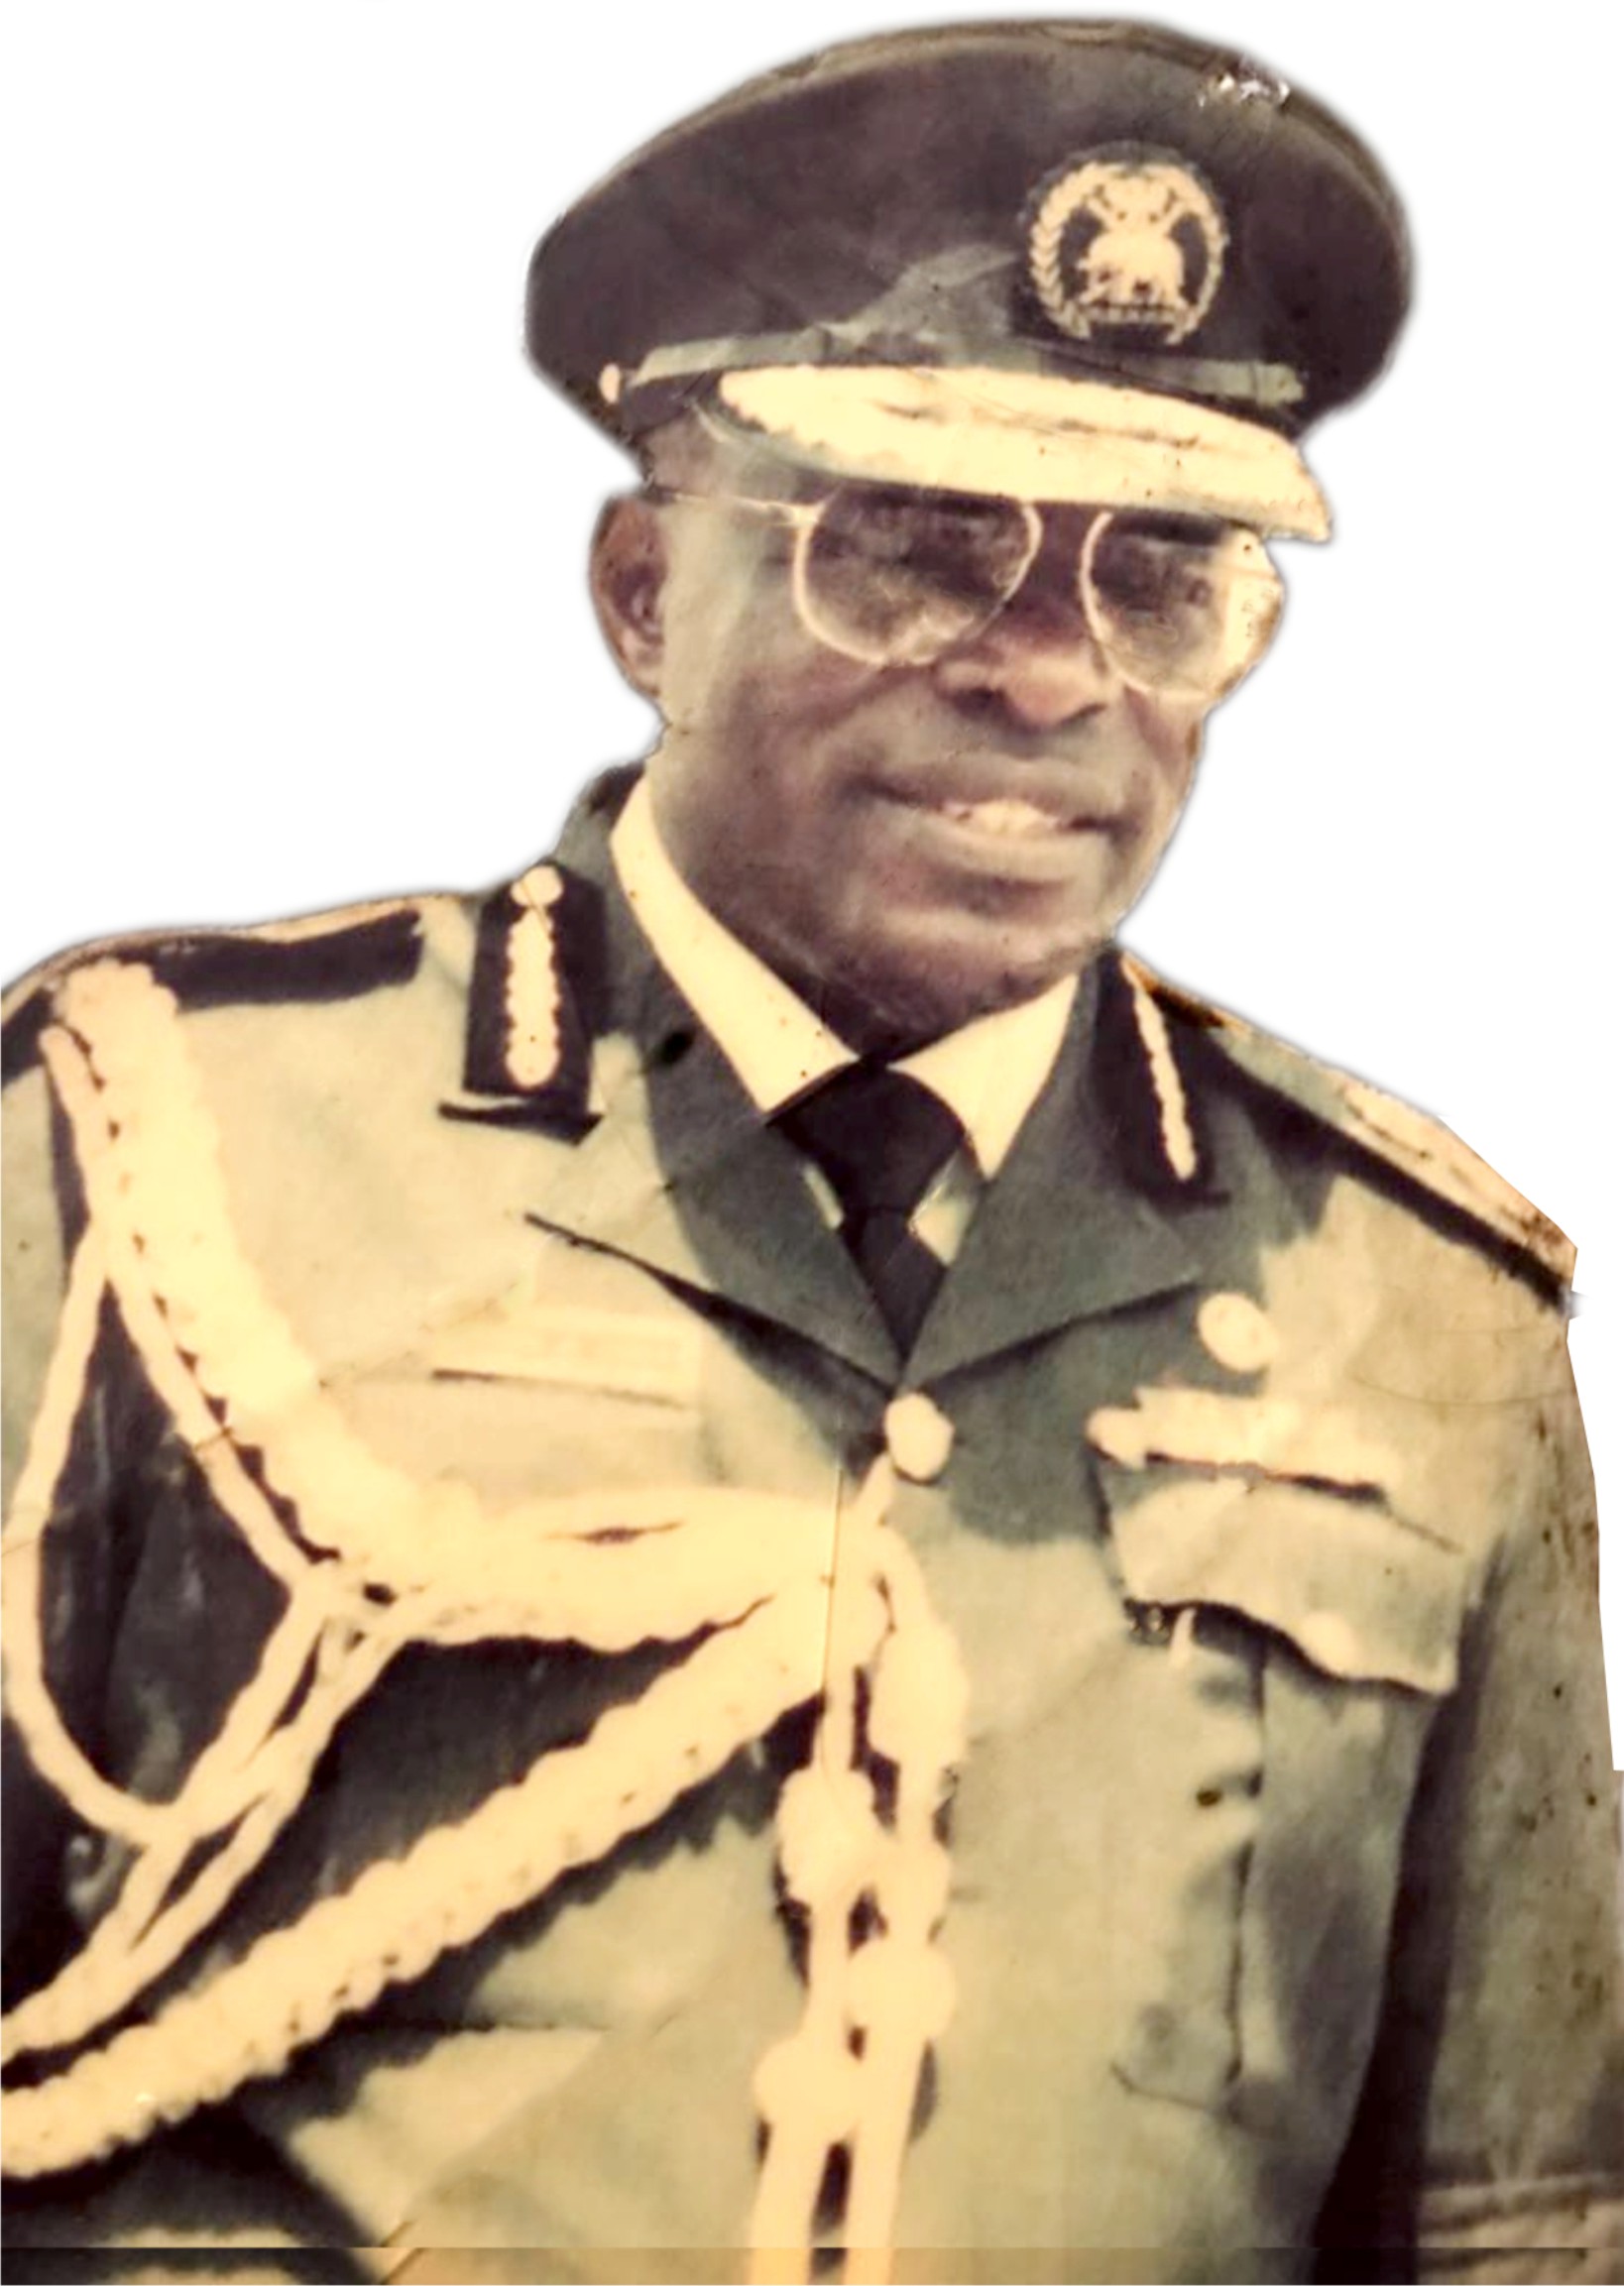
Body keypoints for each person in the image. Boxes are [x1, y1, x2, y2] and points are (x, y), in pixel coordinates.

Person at [3, 19, 1619, 2284]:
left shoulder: (1414, 1309)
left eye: (1162, 578)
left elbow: (1517, 2222)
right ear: (645, 594)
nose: (1049, 677)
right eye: (917, 552)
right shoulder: (148, 1148)